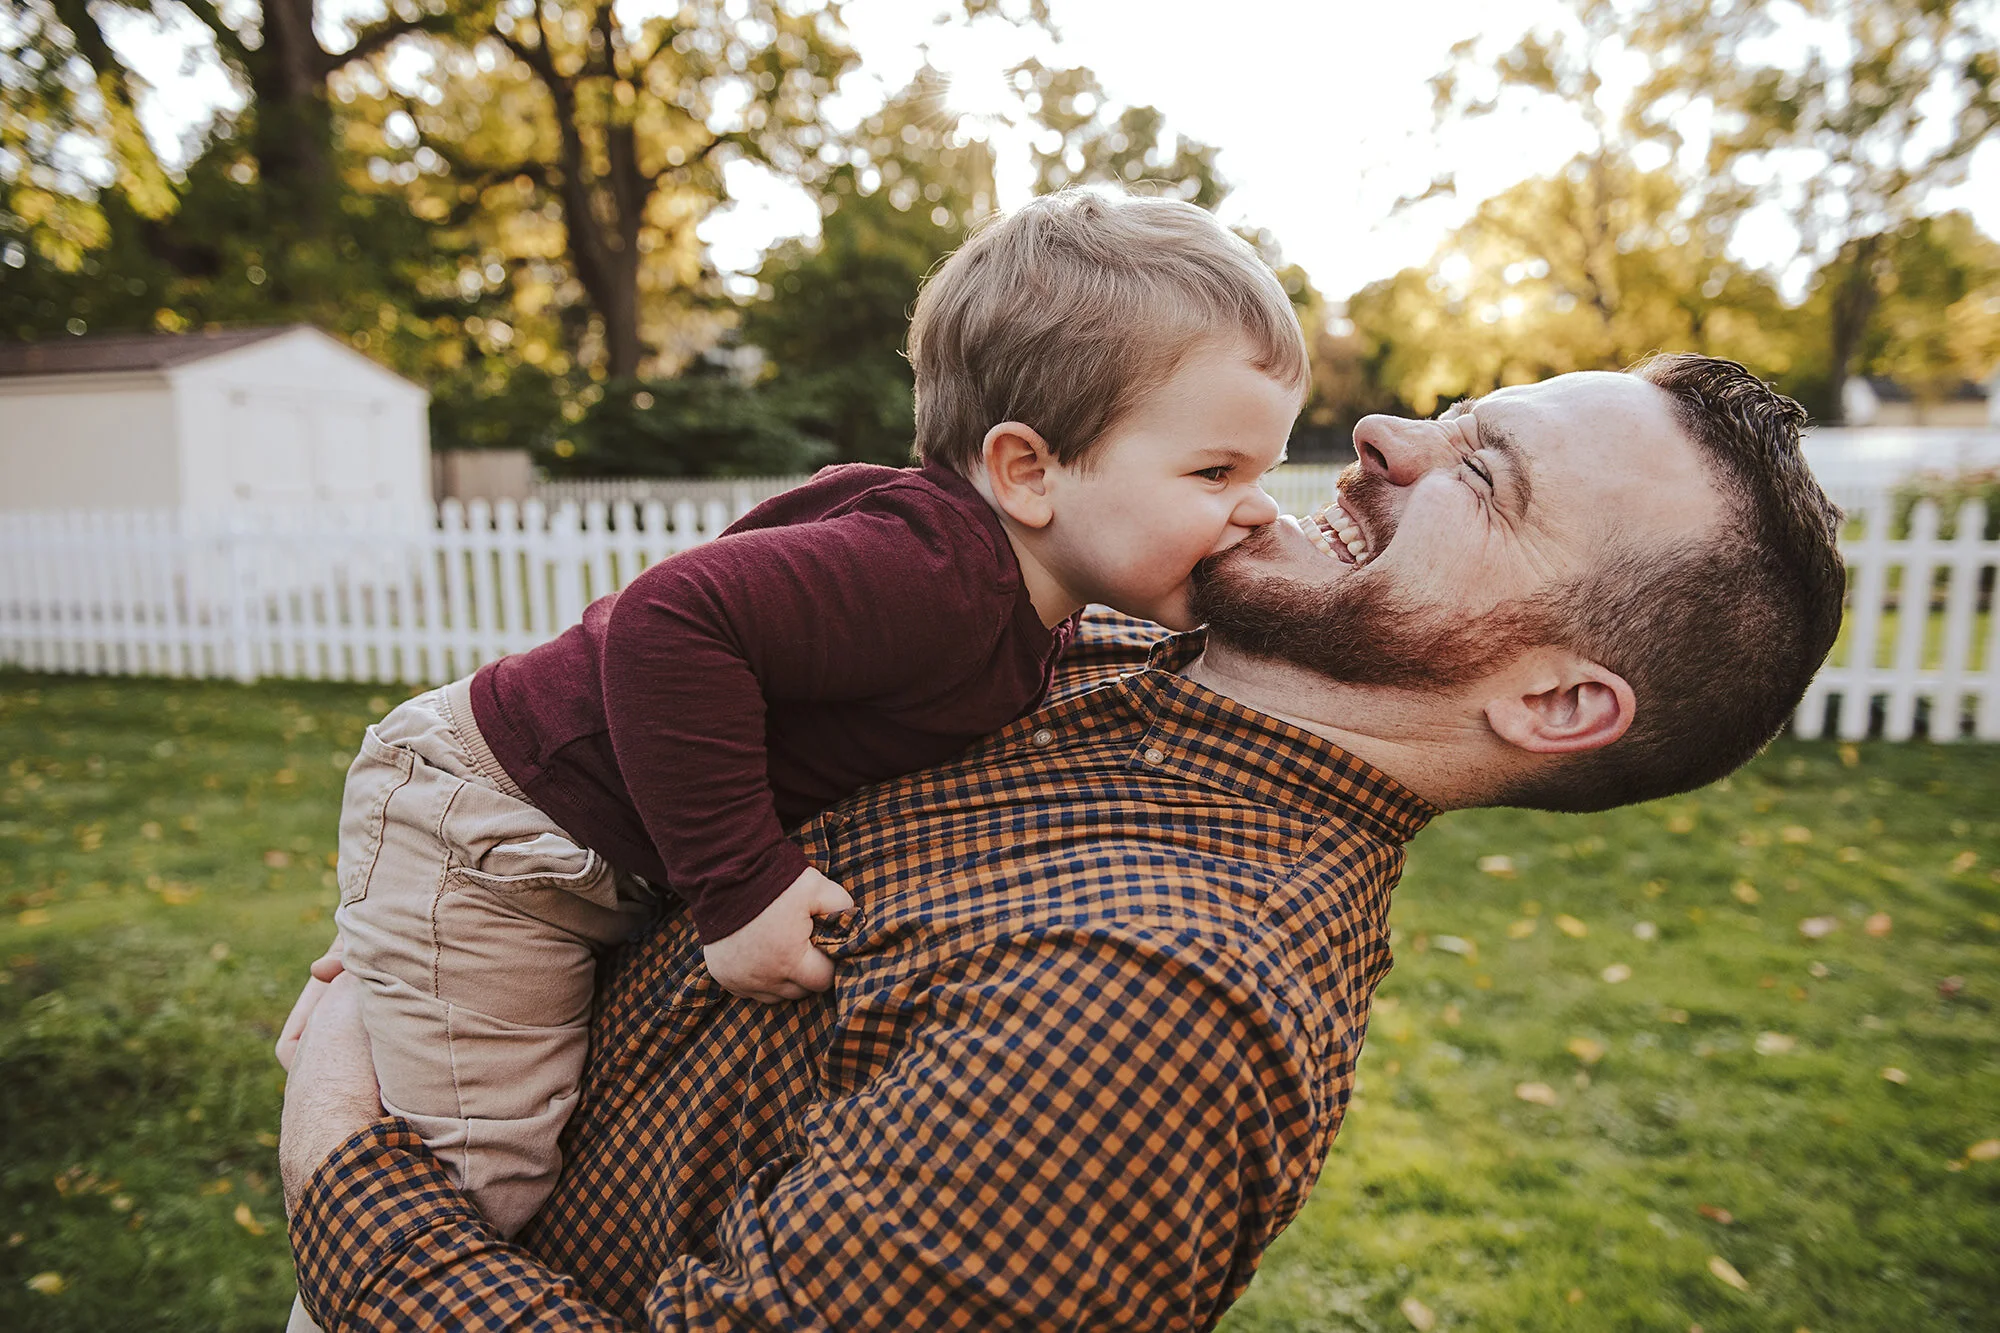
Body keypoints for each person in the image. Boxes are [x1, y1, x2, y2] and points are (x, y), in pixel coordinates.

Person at [279, 353, 1845, 1331]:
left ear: (1559, 700)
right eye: (1452, 413)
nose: (1380, 433)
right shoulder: (1073, 643)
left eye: (1480, 472)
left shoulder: (1151, 1007)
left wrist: (349, 1153)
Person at [314, 187, 1304, 1277]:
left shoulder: (1027, 602)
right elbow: (670, 620)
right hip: (506, 822)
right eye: (1215, 473)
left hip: (567, 830)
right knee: (474, 1182)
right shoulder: (930, 575)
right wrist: (739, 882)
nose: (1254, 507)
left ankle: (389, 978)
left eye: (1258, 473)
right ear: (1027, 470)